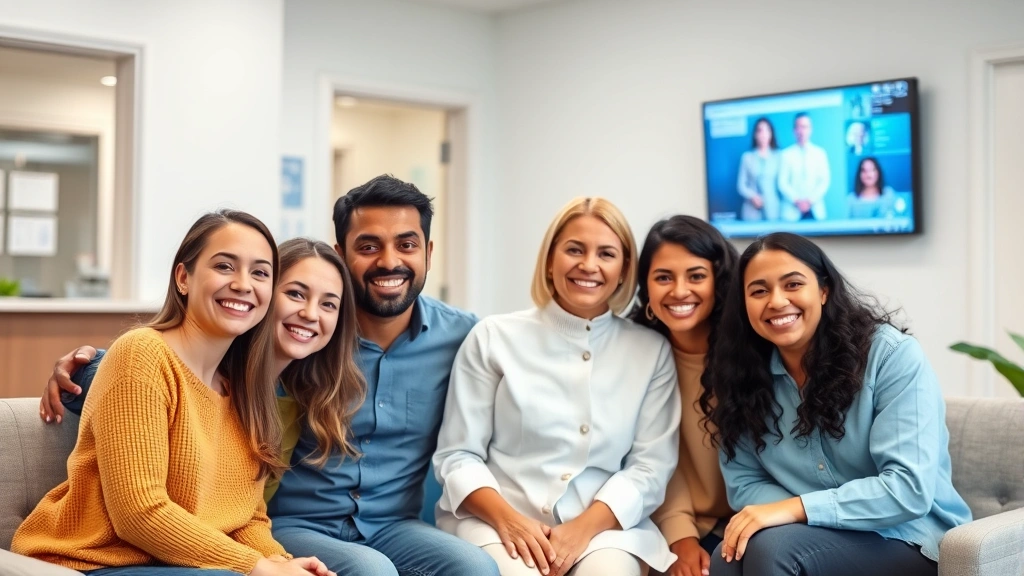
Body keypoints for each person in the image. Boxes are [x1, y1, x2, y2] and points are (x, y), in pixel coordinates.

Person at [42, 176, 500, 576]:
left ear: (428, 252)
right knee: (369, 570)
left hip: (386, 525)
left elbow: (245, 512)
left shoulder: (462, 338)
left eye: (406, 244)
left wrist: (276, 564)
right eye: (368, 246)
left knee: (475, 567)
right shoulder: (232, 363)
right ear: (342, 255)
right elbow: (160, 372)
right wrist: (87, 365)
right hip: (274, 528)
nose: (388, 261)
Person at [15, 210, 334, 576]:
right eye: (225, 266)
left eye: (260, 273)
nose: (243, 284)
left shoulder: (244, 389)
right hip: (92, 562)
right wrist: (256, 566)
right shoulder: (142, 354)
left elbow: (248, 517)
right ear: (184, 277)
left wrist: (282, 563)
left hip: (186, 565)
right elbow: (139, 513)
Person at [433, 197, 682, 576]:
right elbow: (458, 455)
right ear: (550, 260)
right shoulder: (493, 337)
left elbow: (650, 467)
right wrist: (510, 522)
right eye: (574, 250)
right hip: (498, 523)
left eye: (606, 254)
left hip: (603, 530)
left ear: (623, 270)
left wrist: (581, 531)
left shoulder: (651, 351)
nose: (589, 265)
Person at [701, 232, 972, 576]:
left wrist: (800, 508)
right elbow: (745, 481)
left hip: (911, 536)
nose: (777, 301)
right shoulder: (742, 374)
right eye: (759, 291)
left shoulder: (889, 356)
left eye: (793, 284)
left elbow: (908, 489)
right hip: (811, 535)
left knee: (774, 551)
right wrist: (800, 513)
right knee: (727, 558)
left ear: (824, 290)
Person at [626, 216, 738, 576]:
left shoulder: (751, 348)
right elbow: (649, 456)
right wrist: (681, 537)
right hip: (667, 521)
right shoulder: (633, 353)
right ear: (645, 285)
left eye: (696, 276)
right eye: (663, 277)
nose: (679, 291)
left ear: (718, 280)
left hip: (748, 518)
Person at [777, 113, 831, 221]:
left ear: (811, 129)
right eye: (799, 127)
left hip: (815, 211)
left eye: (805, 127)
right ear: (794, 130)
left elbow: (824, 181)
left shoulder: (820, 153)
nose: (802, 131)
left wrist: (809, 201)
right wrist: (797, 201)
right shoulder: (785, 154)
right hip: (791, 213)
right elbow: (782, 183)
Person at [736, 118, 781, 221]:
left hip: (773, 209)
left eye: (767, 130)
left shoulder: (779, 156)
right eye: (760, 130)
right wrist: (753, 197)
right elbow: (741, 186)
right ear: (755, 134)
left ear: (771, 134)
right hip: (751, 209)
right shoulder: (747, 157)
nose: (763, 134)